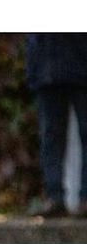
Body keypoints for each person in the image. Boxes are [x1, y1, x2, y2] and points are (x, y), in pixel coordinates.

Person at [25, 34, 87, 217]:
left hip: (69, 64)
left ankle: (71, 197)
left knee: (53, 135)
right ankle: (55, 196)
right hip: (48, 67)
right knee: (50, 135)